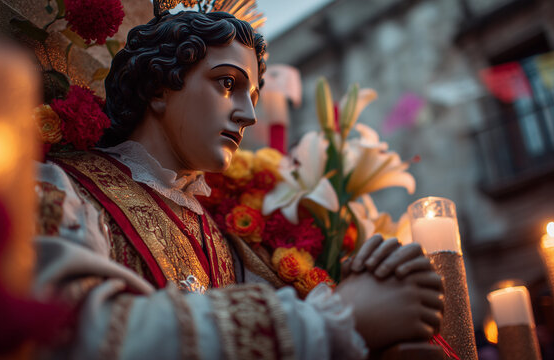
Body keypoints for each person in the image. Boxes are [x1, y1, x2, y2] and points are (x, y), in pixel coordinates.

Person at [34, 9, 444, 359]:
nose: (248, 115)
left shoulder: (228, 241)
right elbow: (68, 331)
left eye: (253, 96)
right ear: (159, 86)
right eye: (227, 83)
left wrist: (374, 279)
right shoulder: (60, 189)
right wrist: (343, 317)